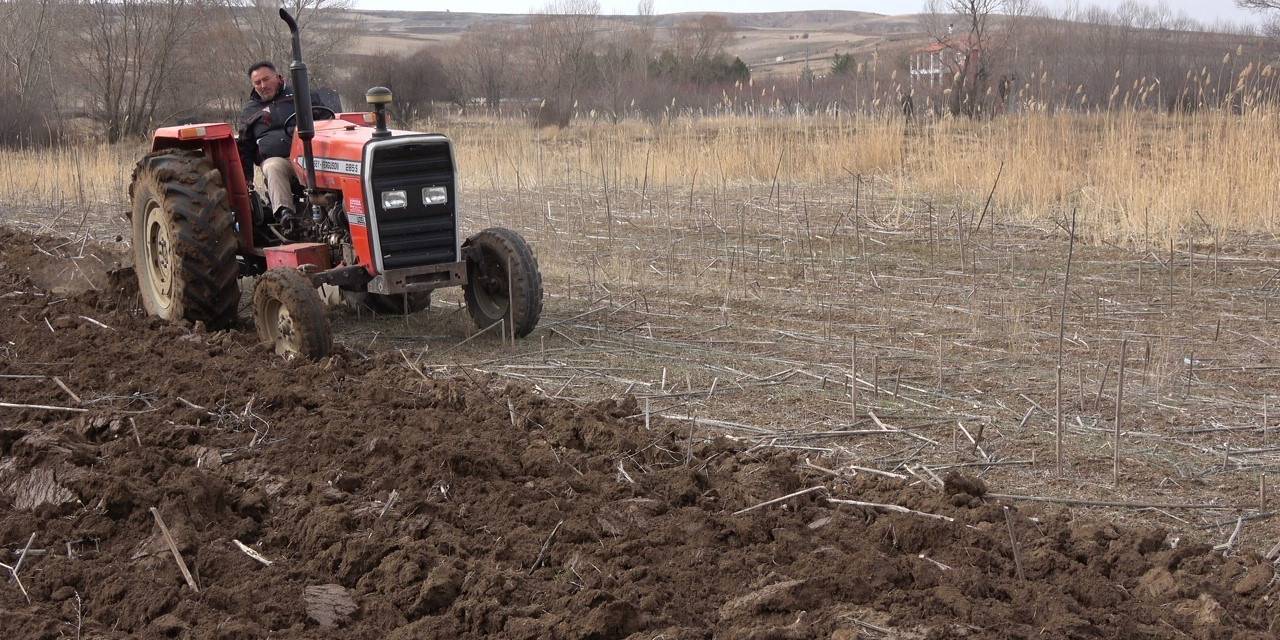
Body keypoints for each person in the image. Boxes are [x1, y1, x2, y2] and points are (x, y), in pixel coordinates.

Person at [237, 61, 329, 229]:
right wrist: (246, 179)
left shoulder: (301, 95)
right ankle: (285, 215)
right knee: (273, 166)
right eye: (257, 82)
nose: (263, 85)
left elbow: (326, 121)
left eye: (266, 79)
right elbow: (245, 147)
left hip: (309, 156)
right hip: (280, 161)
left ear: (278, 77)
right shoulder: (250, 111)